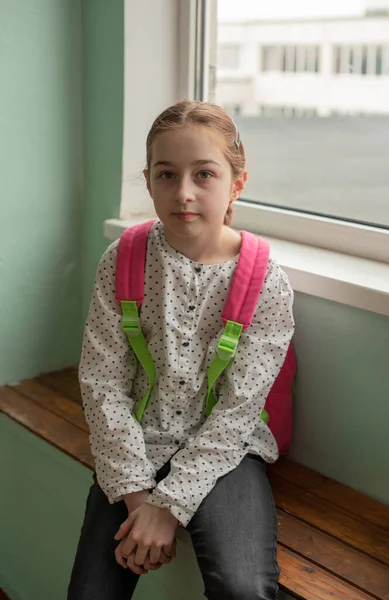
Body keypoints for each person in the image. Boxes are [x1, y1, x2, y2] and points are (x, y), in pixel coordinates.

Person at [67, 100, 295, 600]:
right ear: (148, 181)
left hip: (226, 452)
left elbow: (238, 411)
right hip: (135, 445)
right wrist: (137, 502)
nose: (184, 193)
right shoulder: (123, 260)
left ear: (237, 183)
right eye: (167, 174)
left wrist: (167, 509)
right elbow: (102, 381)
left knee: (243, 588)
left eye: (204, 174)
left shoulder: (265, 284)